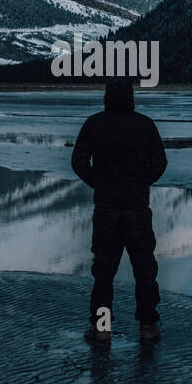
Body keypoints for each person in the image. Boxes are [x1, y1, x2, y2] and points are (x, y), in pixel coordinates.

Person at [71, 78, 168, 347]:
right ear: (131, 98)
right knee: (144, 269)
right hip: (137, 208)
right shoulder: (145, 125)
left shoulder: (94, 124)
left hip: (106, 209)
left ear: (106, 97)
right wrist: (142, 182)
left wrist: (98, 183)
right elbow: (160, 162)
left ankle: (102, 329)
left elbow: (78, 162)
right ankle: (148, 325)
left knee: (104, 272)